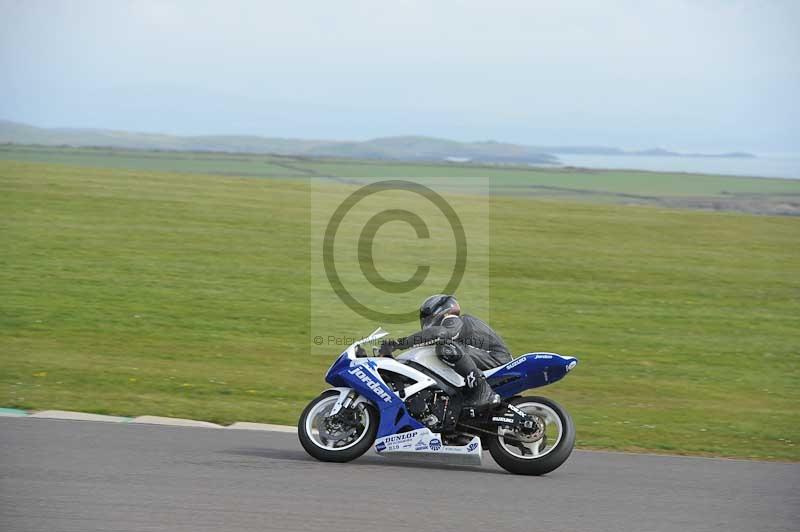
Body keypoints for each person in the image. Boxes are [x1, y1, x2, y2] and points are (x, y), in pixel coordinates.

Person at [379, 294, 511, 408]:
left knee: (445, 348)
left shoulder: (455, 320)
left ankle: (483, 390)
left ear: (442, 312)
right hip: (485, 358)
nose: (425, 321)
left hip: (496, 360)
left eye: (427, 317)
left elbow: (440, 333)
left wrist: (399, 343)